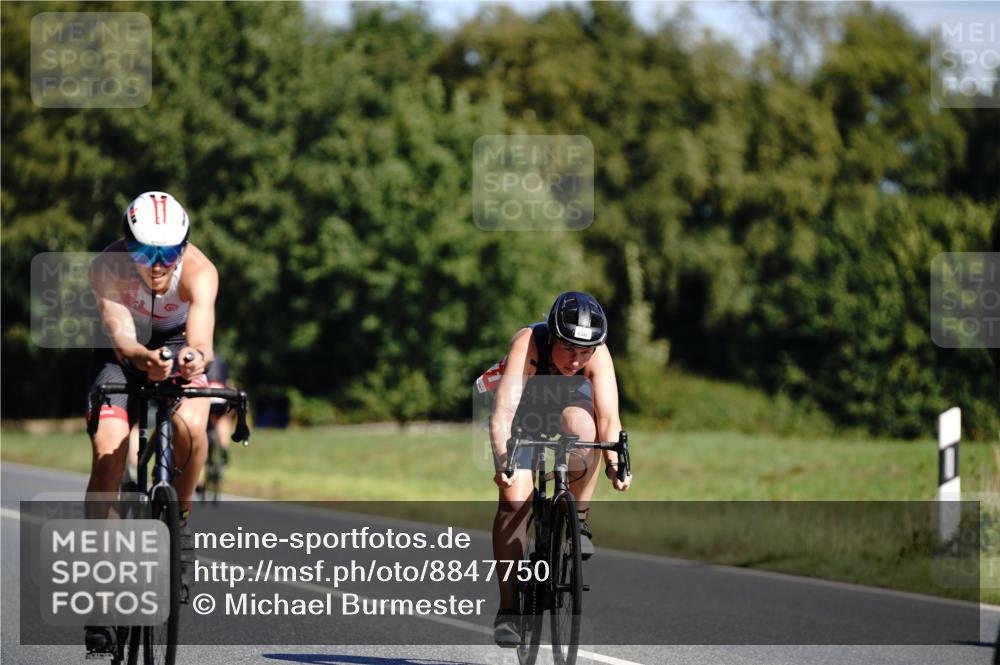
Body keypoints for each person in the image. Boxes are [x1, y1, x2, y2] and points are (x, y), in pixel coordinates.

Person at [84, 191, 218, 654]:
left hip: (179, 347)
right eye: (145, 252)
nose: (157, 265)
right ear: (128, 246)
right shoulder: (107, 265)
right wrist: (145, 359)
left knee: (193, 429)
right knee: (108, 449)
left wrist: (190, 358)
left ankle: (178, 526)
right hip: (123, 354)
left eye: (168, 253)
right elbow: (120, 334)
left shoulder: (200, 270)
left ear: (183, 248)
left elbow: (203, 340)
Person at [486, 291, 632, 647]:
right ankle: (509, 610)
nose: (576, 360)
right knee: (514, 501)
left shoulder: (598, 353)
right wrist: (505, 459)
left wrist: (616, 462)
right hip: (523, 411)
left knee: (587, 431)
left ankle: (577, 518)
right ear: (552, 336)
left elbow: (609, 417)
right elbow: (503, 415)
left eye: (585, 352)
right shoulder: (529, 342)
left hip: (569, 407)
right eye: (568, 349)